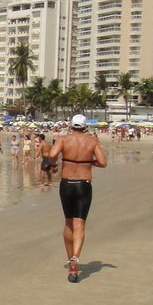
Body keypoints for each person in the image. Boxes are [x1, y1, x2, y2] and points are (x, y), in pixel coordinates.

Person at [53, 115, 108, 282]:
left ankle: (72, 265)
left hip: (66, 184)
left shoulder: (63, 139)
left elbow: (52, 154)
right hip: (83, 184)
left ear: (71, 126)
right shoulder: (92, 141)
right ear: (85, 127)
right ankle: (76, 257)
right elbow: (103, 163)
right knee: (80, 223)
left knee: (68, 222)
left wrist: (55, 164)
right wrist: (89, 162)